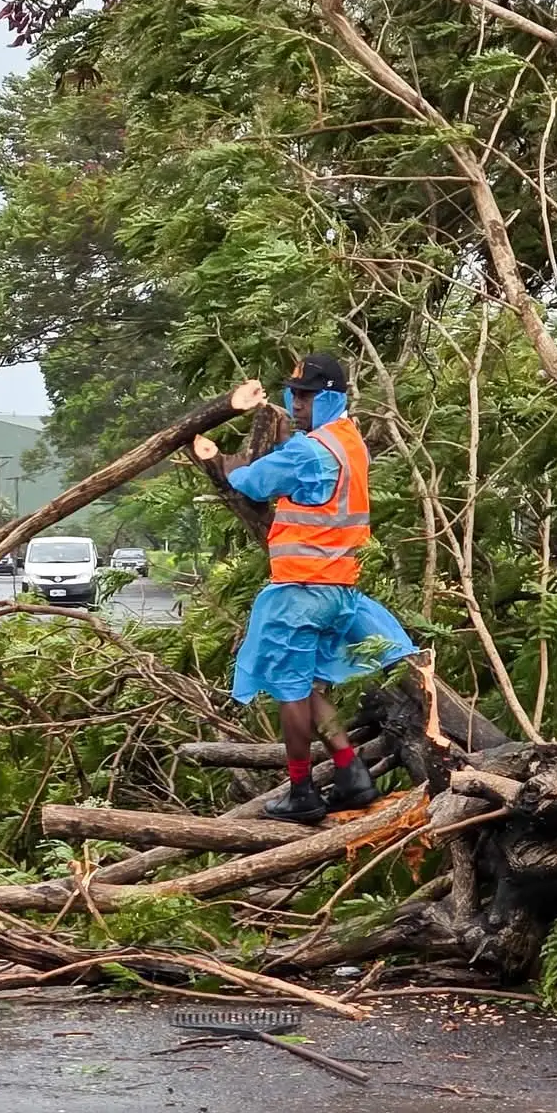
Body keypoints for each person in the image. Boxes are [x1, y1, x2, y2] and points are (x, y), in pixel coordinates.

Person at [192, 352, 416, 825]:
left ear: (329, 398)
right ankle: (350, 771)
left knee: (289, 692)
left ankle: (301, 791)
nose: (296, 403)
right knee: (306, 688)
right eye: (293, 394)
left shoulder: (310, 450)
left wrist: (227, 467)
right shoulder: (350, 443)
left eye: (306, 395)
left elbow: (252, 482)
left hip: (300, 593)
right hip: (339, 589)